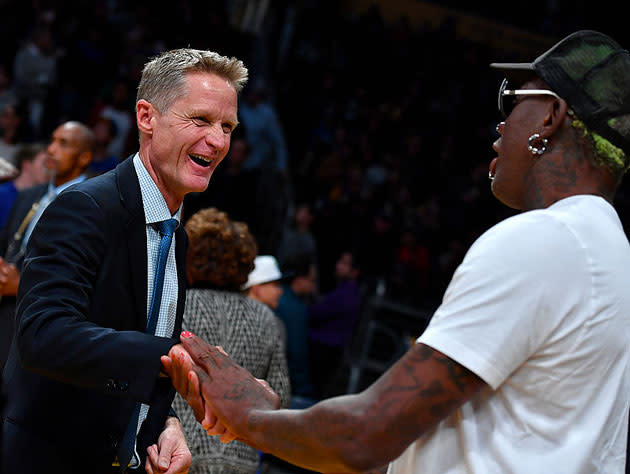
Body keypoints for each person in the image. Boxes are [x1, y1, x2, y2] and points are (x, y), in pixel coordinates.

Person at [165, 30, 630, 473]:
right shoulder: (612, 257)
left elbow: (364, 436)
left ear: (550, 115)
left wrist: (249, 417)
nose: (501, 123)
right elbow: (400, 454)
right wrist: (273, 419)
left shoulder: (542, 241)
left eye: (513, 100)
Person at [1, 48, 248, 473]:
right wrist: (173, 358)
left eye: (227, 126)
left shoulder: (176, 234)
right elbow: (43, 336)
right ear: (147, 117)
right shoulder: (84, 206)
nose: (219, 141)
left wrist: (162, 423)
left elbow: (131, 354)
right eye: (202, 120)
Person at [173, 207, 290, 473]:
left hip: (178, 453)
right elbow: (280, 397)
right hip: (241, 458)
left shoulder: (177, 307)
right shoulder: (266, 318)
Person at [0, 122, 93, 375]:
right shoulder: (29, 195)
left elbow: (82, 279)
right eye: (52, 140)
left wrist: (22, 284)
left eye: (63, 144)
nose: (51, 149)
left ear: (84, 157)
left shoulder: (91, 204)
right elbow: (7, 244)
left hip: (44, 325)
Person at [307, 250, 362, 398]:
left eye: (344, 264)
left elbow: (315, 314)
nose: (338, 266)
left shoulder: (346, 295)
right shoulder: (344, 291)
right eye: (340, 262)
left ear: (354, 272)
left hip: (324, 350)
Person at [274, 252, 317, 408]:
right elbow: (297, 352)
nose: (313, 286)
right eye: (311, 280)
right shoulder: (294, 308)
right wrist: (304, 389)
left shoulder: (281, 298)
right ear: (298, 279)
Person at [0, 142, 48, 228]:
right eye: (44, 163)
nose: (48, 169)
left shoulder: (44, 199)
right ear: (26, 164)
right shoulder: (2, 194)